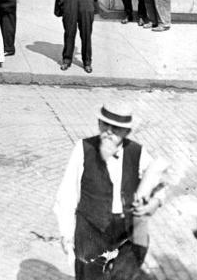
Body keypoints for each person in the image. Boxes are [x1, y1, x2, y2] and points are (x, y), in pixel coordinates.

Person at [53, 100, 169, 279]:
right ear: (98, 124)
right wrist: (67, 234)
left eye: (116, 128)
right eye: (105, 125)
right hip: (91, 231)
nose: (109, 131)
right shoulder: (83, 149)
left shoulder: (137, 152)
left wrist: (155, 202)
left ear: (126, 132)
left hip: (127, 232)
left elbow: (160, 179)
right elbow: (67, 194)